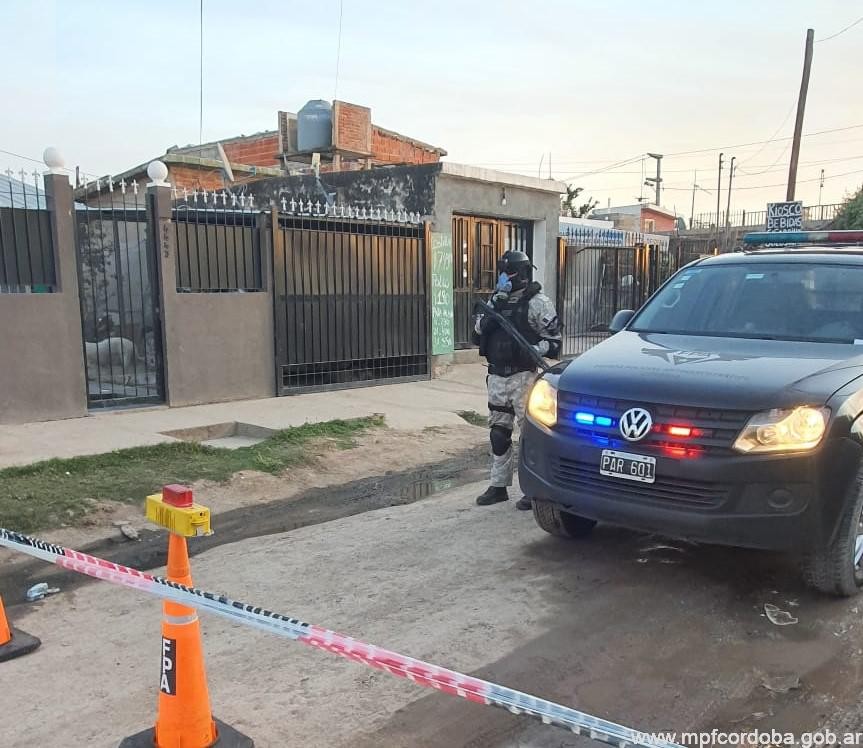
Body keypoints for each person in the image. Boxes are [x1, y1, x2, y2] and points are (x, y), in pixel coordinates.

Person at [473, 250, 562, 510]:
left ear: (521, 273)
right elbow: (478, 334)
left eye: (508, 272)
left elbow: (555, 342)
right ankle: (499, 485)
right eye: (502, 271)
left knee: (529, 435)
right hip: (497, 377)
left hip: (524, 377)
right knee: (498, 434)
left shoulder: (538, 303)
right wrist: (494, 307)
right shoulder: (493, 301)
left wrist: (536, 349)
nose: (504, 277)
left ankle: (532, 488)